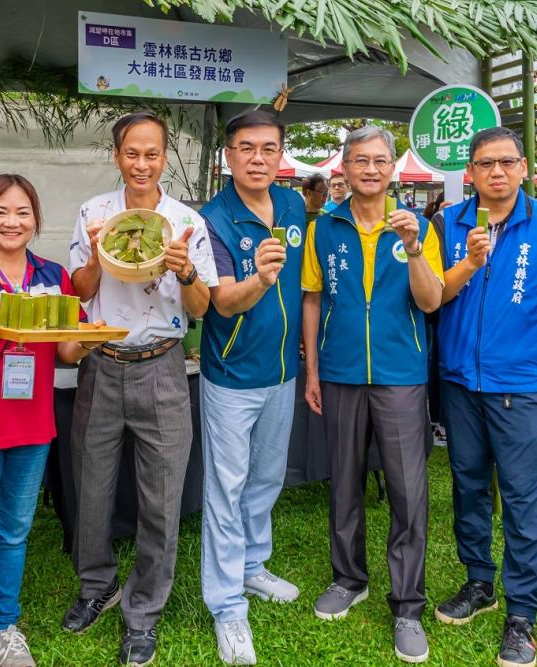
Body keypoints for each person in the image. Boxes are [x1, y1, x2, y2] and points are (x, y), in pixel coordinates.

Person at [431, 127, 537, 667]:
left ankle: (523, 611)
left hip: (521, 384)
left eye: (506, 162)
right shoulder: (447, 223)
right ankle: (480, 582)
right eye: (485, 164)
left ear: (523, 168)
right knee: (468, 485)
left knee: (525, 498)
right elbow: (431, 298)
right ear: (470, 174)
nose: (496, 172)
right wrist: (468, 265)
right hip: (459, 381)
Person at [63, 109, 219, 666]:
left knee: (162, 497)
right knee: (93, 486)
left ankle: (145, 610)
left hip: (163, 366)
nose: (142, 164)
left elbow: (201, 309)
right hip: (101, 362)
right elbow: (79, 293)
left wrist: (184, 271)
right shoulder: (93, 213)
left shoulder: (186, 223)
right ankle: (96, 586)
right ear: (117, 156)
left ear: (165, 156)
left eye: (152, 153)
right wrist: (101, 252)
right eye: (132, 153)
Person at [0, 174, 98, 666]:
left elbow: (67, 352)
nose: (12, 221)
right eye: (0, 211)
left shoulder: (54, 277)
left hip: (32, 427)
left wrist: (93, 338)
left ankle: (4, 627)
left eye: (22, 212)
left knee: (13, 533)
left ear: (36, 220)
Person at [301, 126, 443, 663]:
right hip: (338, 371)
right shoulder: (324, 227)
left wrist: (412, 250)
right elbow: (312, 299)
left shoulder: (417, 227)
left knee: (408, 490)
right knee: (344, 481)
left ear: (393, 169)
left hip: (400, 372)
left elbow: (430, 302)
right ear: (344, 167)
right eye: (360, 160)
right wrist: (313, 370)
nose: (370, 170)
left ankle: (407, 604)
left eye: (380, 161)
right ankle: (348, 577)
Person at [198, 110, 305, 666]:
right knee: (226, 488)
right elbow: (219, 302)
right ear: (229, 157)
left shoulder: (292, 206)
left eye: (268, 148)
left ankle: (251, 565)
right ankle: (226, 604)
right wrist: (259, 280)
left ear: (279, 155)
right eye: (246, 149)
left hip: (283, 371)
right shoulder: (212, 219)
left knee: (265, 479)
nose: (258, 158)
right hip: (232, 377)